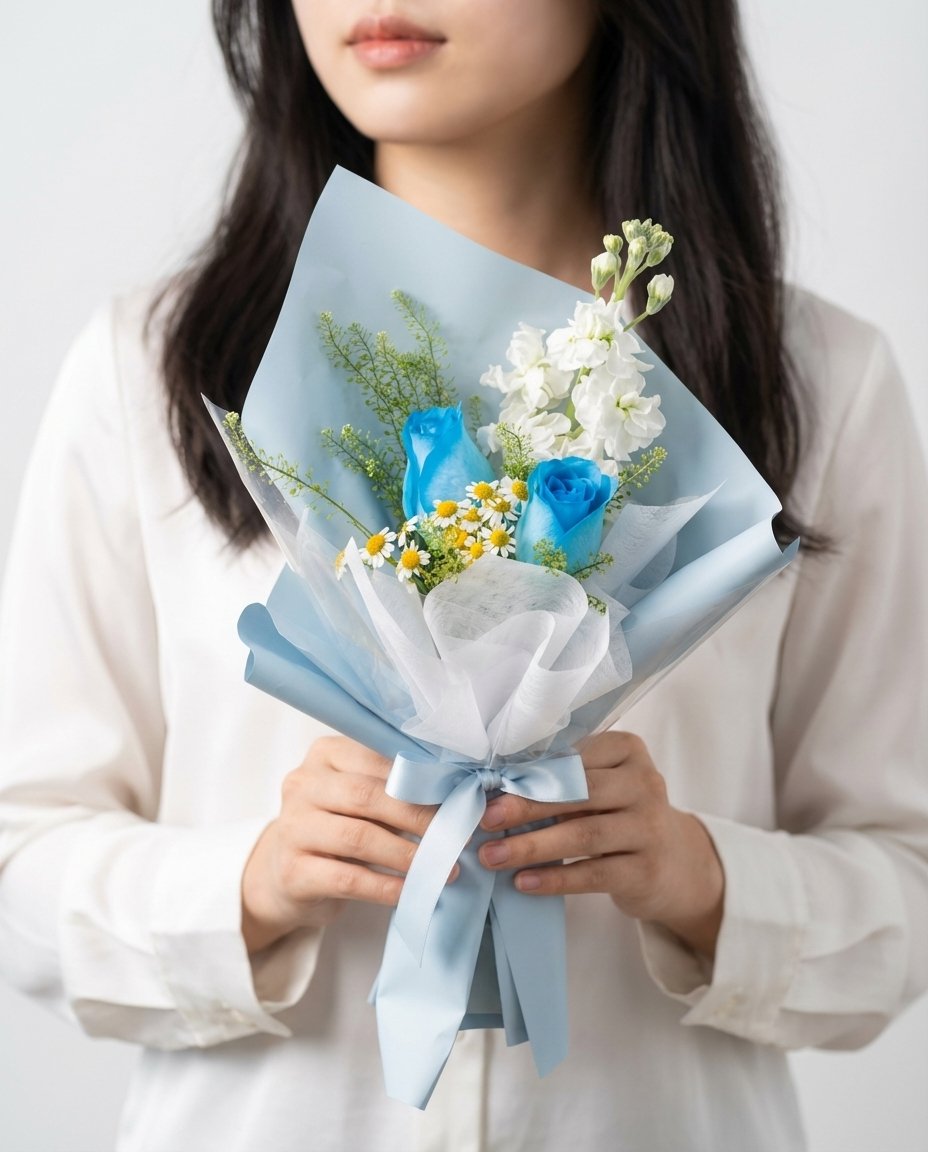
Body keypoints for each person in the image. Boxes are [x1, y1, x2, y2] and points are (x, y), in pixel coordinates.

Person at [1, 2, 926, 1150]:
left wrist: (700, 879)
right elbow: (23, 858)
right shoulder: (152, 370)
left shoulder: (816, 382)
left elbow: (903, 882)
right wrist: (249, 884)